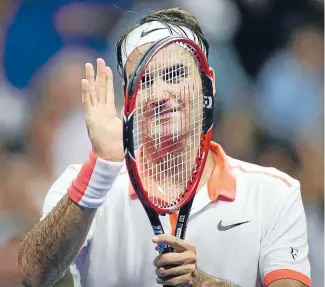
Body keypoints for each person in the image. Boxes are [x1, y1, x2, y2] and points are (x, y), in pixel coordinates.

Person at [18, 8, 311, 287]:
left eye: (174, 75)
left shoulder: (275, 193)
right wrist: (101, 167)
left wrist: (203, 282)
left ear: (208, 84)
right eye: (144, 81)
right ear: (128, 99)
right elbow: (34, 276)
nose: (159, 93)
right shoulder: (83, 185)